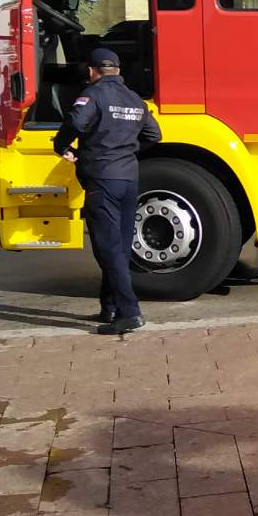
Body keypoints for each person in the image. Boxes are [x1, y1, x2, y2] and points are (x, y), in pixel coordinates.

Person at [54, 47, 160, 335]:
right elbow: (154, 134)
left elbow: (76, 121)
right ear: (118, 70)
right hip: (128, 178)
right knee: (119, 247)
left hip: (102, 178)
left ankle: (130, 312)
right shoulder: (134, 98)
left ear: (92, 71)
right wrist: (126, 151)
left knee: (107, 247)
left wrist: (62, 146)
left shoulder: (94, 95)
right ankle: (110, 306)